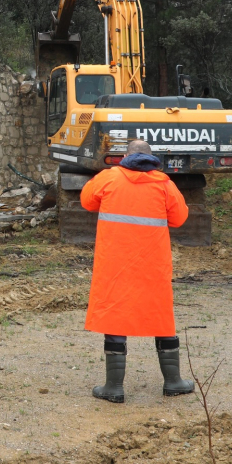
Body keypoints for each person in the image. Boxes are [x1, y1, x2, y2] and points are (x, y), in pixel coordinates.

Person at [81, 138, 194, 404]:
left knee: (116, 316)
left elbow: (87, 201)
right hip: (152, 265)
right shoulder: (164, 184)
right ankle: (173, 382)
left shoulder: (108, 178)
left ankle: (114, 387)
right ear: (151, 159)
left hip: (115, 264)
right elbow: (179, 218)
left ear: (126, 157)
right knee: (161, 316)